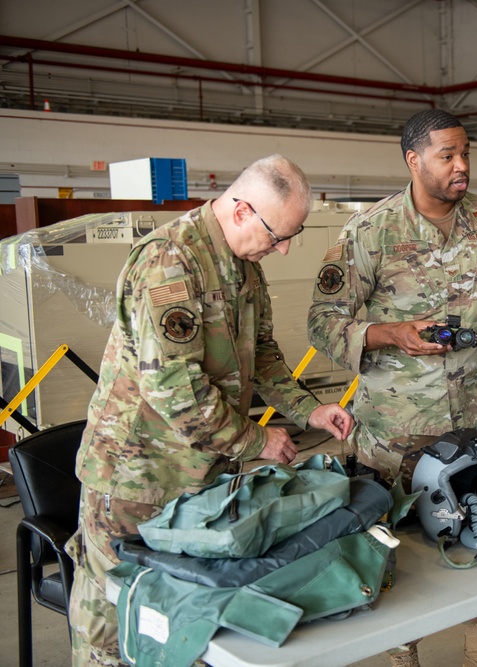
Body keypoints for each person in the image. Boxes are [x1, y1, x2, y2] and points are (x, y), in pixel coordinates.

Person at [308, 109, 477, 667]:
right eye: (447, 156)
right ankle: (401, 655)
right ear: (413, 160)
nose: (462, 167)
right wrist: (391, 334)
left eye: (466, 154)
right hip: (391, 431)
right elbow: (323, 323)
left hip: (473, 424)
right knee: (395, 547)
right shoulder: (371, 232)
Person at [68, 155, 356, 667]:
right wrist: (256, 441)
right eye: (278, 234)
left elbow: (262, 354)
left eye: (294, 235)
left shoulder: (245, 265)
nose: (284, 247)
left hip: (199, 477)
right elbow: (176, 390)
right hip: (137, 478)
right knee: (114, 629)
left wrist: (308, 411)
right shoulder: (169, 262)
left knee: (182, 620)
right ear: (242, 209)